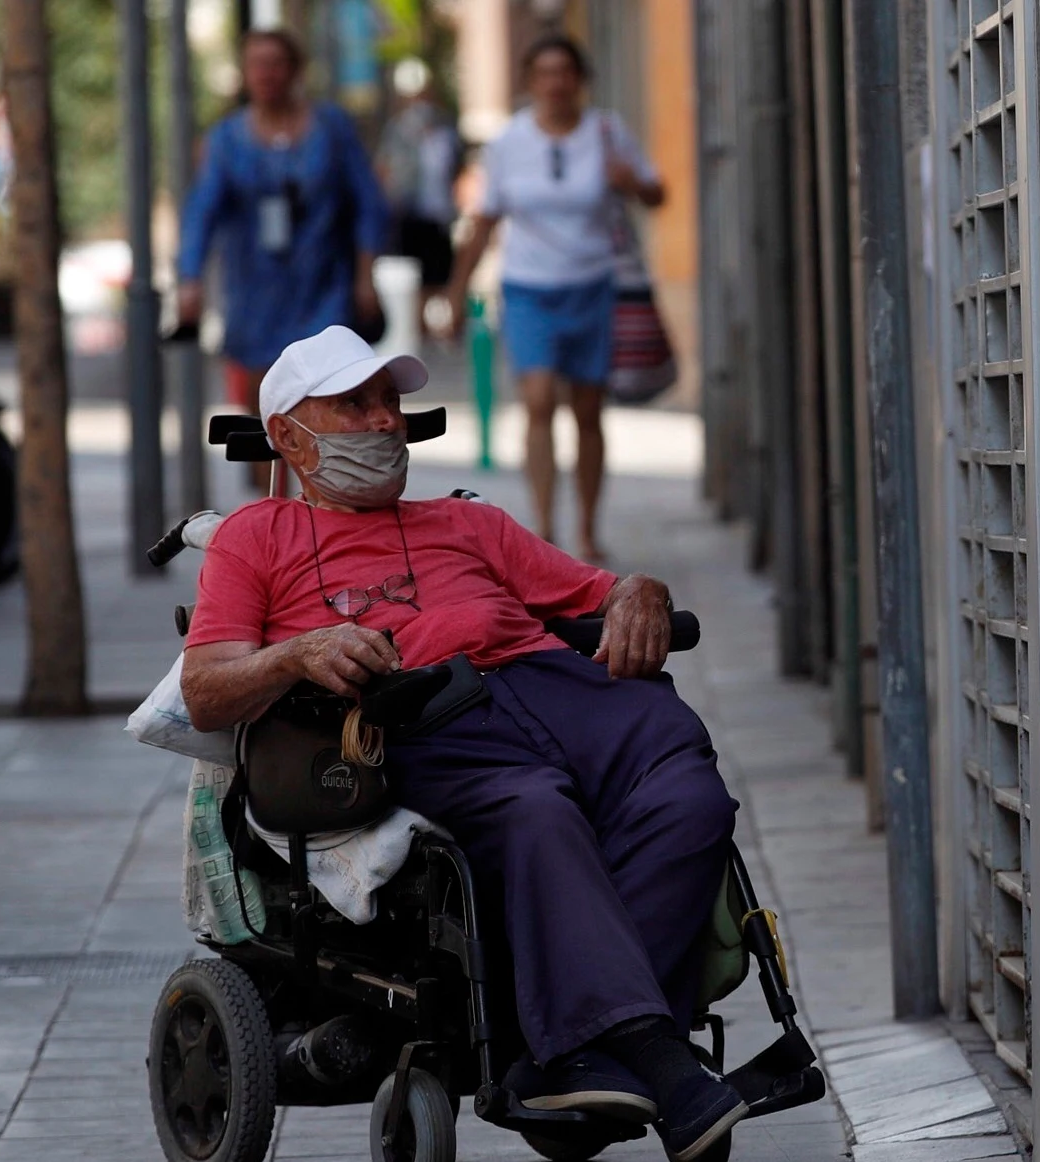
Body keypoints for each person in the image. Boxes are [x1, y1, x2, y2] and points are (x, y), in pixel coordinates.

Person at [177, 326, 748, 1162]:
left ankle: (578, 1057)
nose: (383, 422)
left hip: (554, 686)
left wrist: (642, 593)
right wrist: (300, 651)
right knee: (534, 810)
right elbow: (205, 687)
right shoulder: (255, 537)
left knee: (687, 792)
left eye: (389, 403)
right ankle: (656, 1058)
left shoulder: (466, 522)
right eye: (354, 404)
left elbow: (601, 589)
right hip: (423, 713)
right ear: (289, 438)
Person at [441, 34, 666, 564]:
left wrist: (630, 181)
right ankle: (543, 526)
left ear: (579, 79)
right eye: (544, 72)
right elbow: (485, 220)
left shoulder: (607, 132)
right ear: (530, 82)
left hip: (593, 286)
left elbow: (657, 195)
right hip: (527, 289)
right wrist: (456, 292)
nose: (555, 82)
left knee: (588, 411)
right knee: (539, 401)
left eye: (565, 71)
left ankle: (587, 528)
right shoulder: (509, 143)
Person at [177, 28, 388, 495]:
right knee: (265, 407)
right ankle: (270, 515)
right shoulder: (228, 138)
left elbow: (368, 203)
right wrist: (189, 278)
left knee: (325, 397)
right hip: (255, 290)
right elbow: (201, 212)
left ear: (294, 70)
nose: (266, 73)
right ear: (245, 73)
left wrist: (365, 273)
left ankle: (324, 508)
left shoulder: (331, 128)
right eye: (256, 64)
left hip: (323, 284)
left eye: (275, 62)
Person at [376, 58, 461, 336]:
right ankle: (417, 326)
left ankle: (433, 323)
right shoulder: (399, 129)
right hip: (409, 212)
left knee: (438, 272)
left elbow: (454, 165)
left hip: (438, 213)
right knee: (416, 272)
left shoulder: (445, 127)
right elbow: (387, 167)